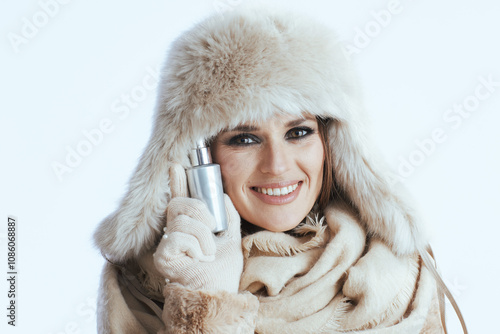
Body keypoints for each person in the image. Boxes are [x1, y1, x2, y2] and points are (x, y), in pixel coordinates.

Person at [93, 6, 466, 334]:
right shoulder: (141, 283)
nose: (278, 165)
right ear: (198, 154)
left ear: (332, 143)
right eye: (244, 139)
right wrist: (204, 302)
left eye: (298, 132)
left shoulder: (398, 271)